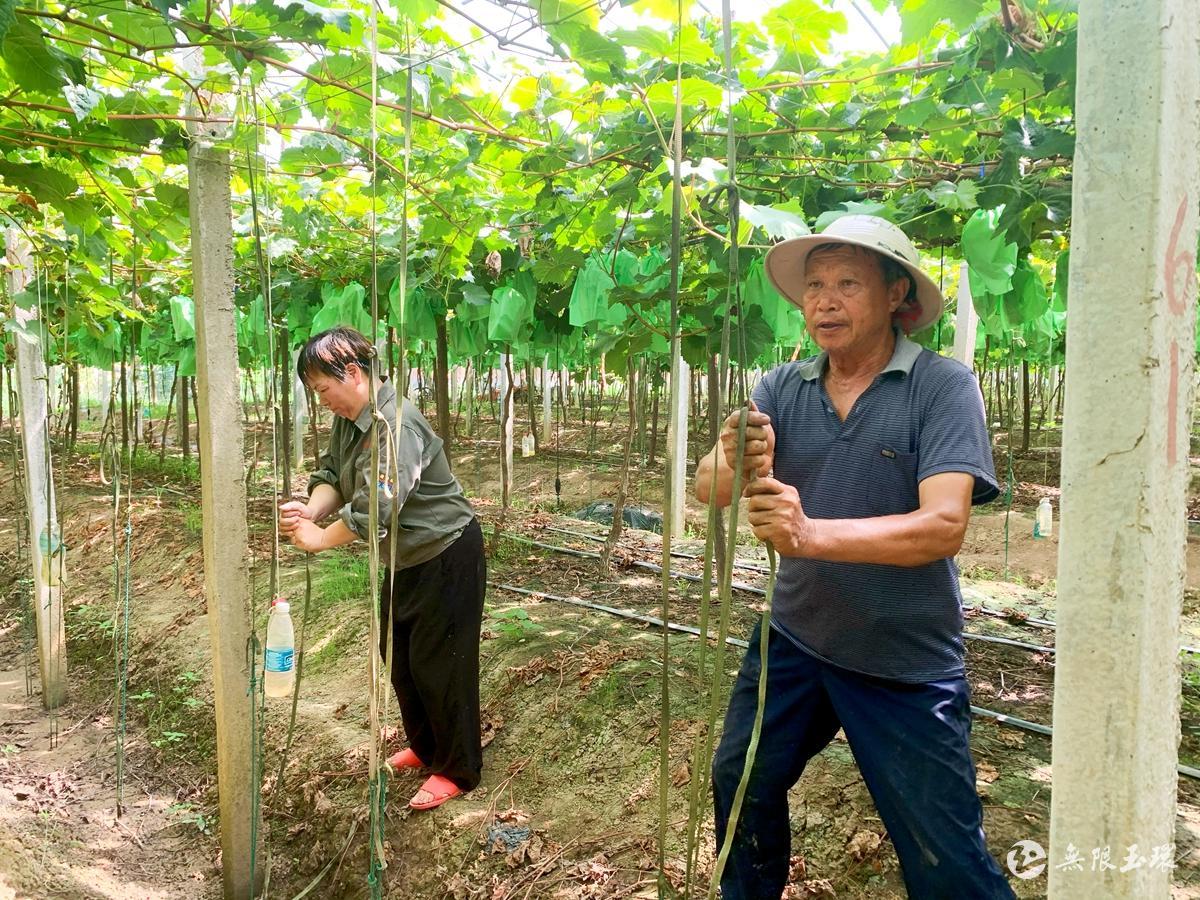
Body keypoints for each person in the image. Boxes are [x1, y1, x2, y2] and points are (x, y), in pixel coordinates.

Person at [695, 215, 1015, 898]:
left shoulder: (942, 387)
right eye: (814, 286)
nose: (824, 301)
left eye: (847, 284)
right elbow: (709, 490)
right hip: (794, 639)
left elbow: (943, 526)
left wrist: (810, 535)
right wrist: (731, 452)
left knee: (944, 856)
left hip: (902, 659)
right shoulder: (781, 386)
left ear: (898, 294)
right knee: (740, 779)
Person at [278, 326, 484, 811]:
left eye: (324, 389)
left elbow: (377, 509)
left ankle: (458, 768)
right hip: (405, 557)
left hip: (445, 552)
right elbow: (332, 475)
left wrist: (320, 540)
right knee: (402, 658)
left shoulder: (395, 424)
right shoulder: (350, 419)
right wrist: (310, 511)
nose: (322, 400)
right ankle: (427, 746)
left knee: (442, 666)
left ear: (352, 373)